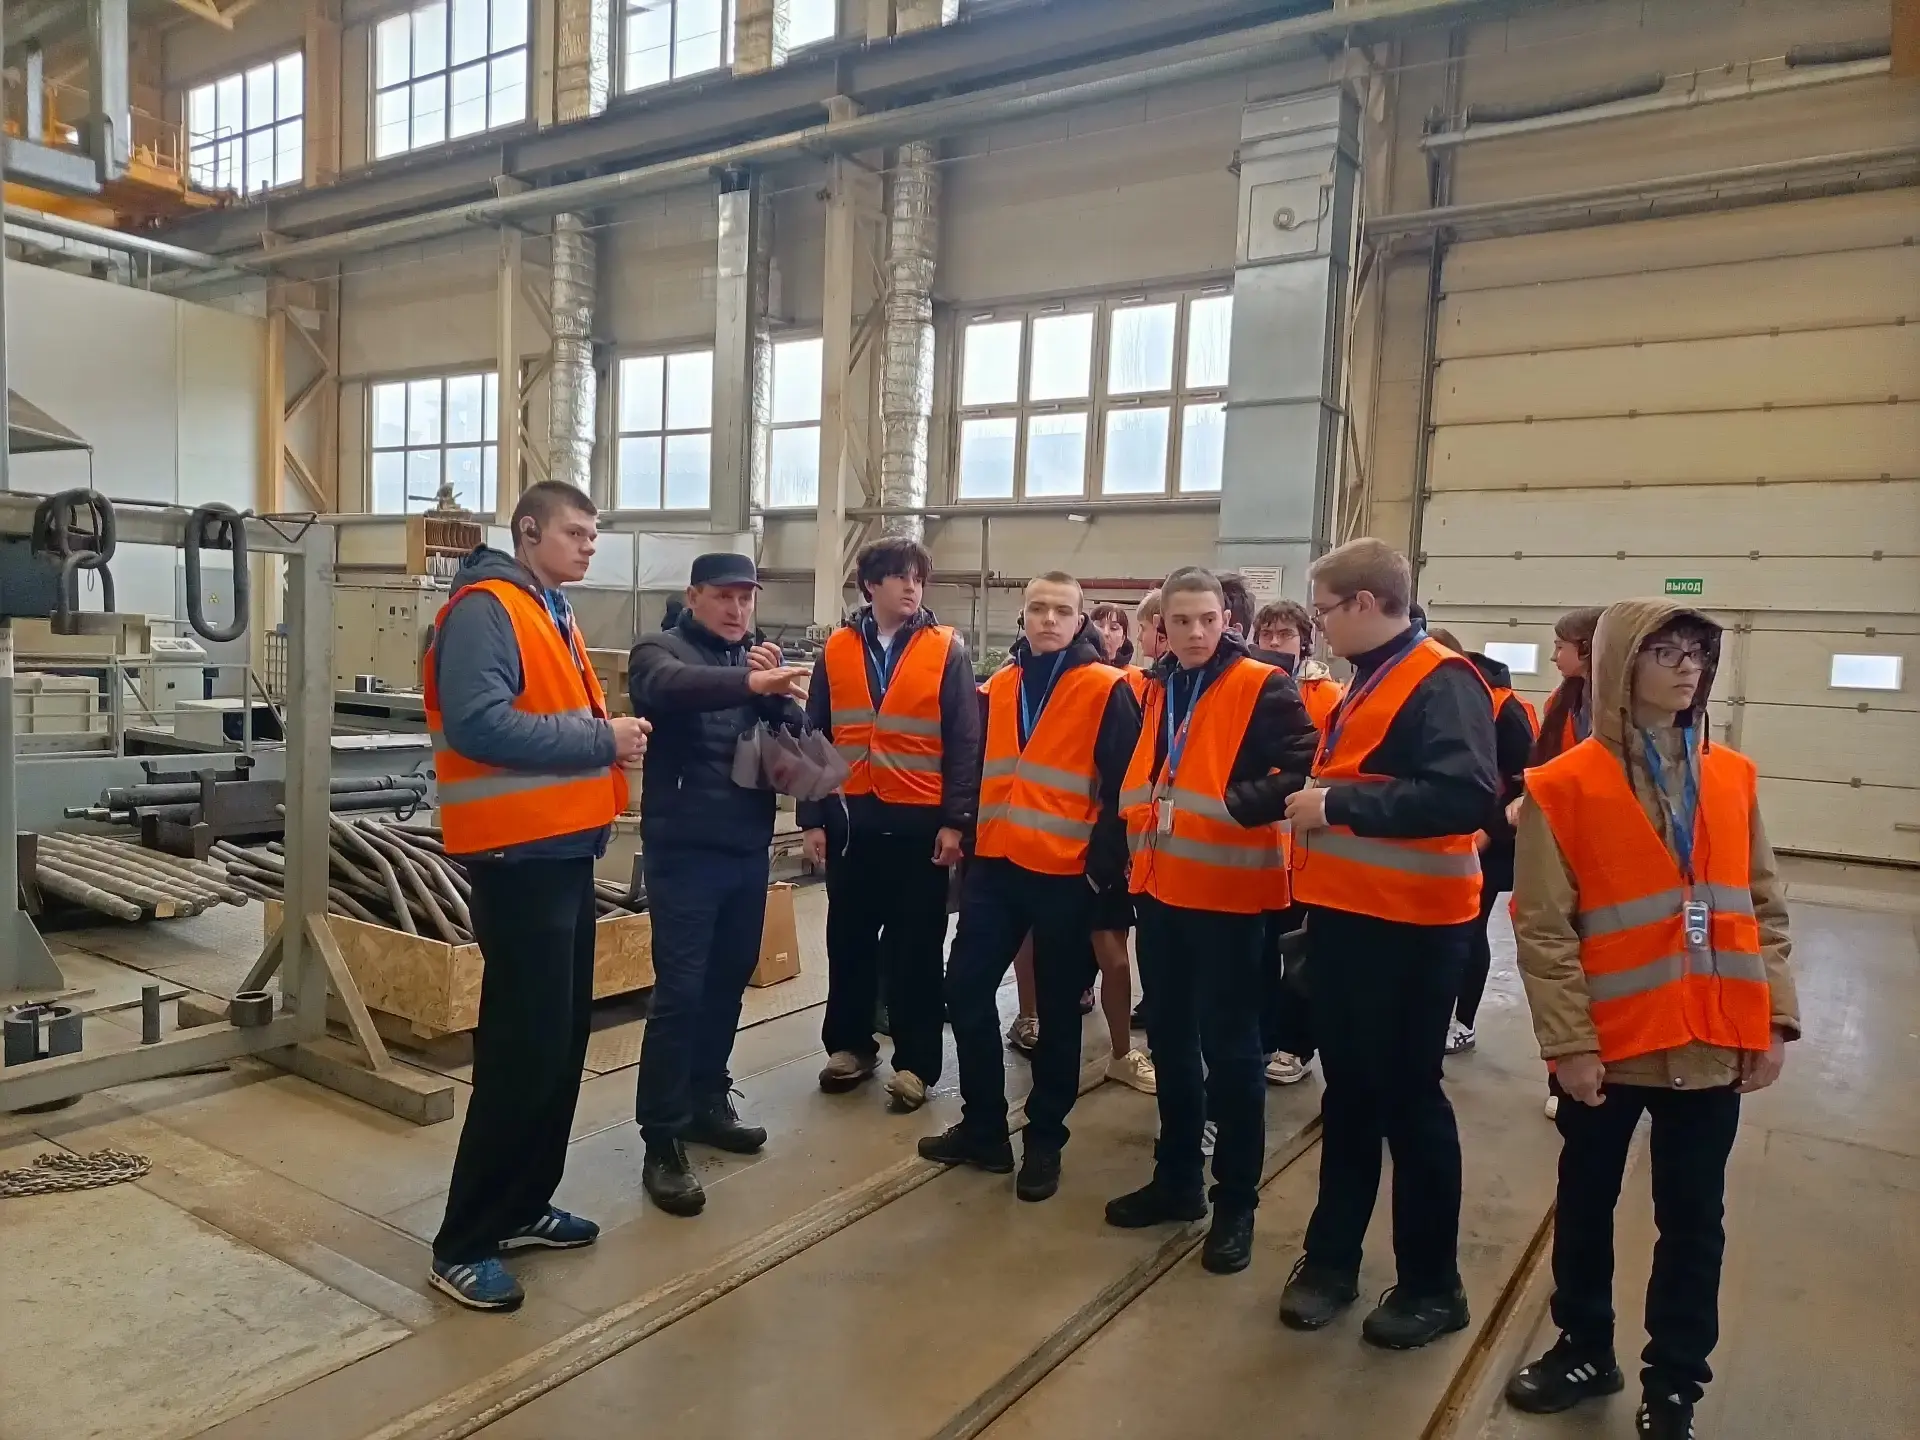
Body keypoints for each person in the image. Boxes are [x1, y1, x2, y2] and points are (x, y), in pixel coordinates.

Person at [1503, 600, 1797, 1440]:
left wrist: (1774, 1018)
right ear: (1620, 664)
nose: (1687, 667)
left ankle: (1675, 1382)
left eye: (1696, 653)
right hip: (1612, 1044)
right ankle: (1584, 1347)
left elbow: (1764, 907)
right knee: (1585, 1206)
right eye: (1665, 652)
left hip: (1712, 1040)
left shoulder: (1733, 778)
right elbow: (1545, 928)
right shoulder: (1562, 786)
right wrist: (1569, 1044)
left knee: (1693, 1220)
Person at [422, 481, 649, 1311]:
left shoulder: (549, 607)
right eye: (575, 532)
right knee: (521, 1051)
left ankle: (521, 1205)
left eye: (593, 533)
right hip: (516, 858)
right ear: (528, 532)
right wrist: (603, 737)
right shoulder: (488, 609)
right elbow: (479, 723)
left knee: (558, 1042)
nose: (590, 545)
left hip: (562, 852)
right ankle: (463, 1242)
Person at [1279, 538, 1497, 1349]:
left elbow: (1464, 795)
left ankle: (1434, 1286)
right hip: (1349, 922)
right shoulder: (1369, 679)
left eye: (1325, 612)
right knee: (1350, 1097)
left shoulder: (1441, 680)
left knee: (1408, 1102)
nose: (1321, 627)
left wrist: (1335, 809)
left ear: (1365, 603)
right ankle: (1331, 1260)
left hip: (1412, 931)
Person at [1105, 566, 1318, 1275]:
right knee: (1170, 1043)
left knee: (1232, 1056)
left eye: (1207, 619)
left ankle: (1235, 1207)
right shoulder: (1159, 684)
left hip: (1230, 900)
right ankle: (1177, 1181)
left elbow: (1306, 765)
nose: (1195, 632)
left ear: (1227, 619)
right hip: (1161, 893)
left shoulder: (1263, 684)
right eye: (1181, 621)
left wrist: (1237, 804)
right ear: (1162, 624)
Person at [918, 572, 1142, 1196]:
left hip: (1067, 875)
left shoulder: (1107, 688)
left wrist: (1101, 873)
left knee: (1060, 1014)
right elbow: (974, 767)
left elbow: (1126, 789)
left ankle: (1045, 1140)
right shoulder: (1001, 686)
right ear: (1023, 616)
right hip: (996, 866)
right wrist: (966, 834)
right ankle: (984, 1129)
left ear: (1080, 621)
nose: (1048, 619)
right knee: (964, 989)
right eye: (1038, 608)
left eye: (1061, 610)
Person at [627, 553, 810, 1217]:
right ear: (694, 596)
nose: (737, 609)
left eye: (746, 598)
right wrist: (752, 682)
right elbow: (673, 688)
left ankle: (706, 1099)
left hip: (746, 850)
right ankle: (661, 1137)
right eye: (724, 596)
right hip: (684, 854)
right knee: (679, 994)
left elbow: (793, 748)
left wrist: (782, 704)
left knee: (727, 983)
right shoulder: (658, 652)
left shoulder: (756, 662)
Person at [800, 537, 980, 1111]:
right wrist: (812, 817)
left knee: (917, 949)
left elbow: (965, 743)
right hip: (850, 823)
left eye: (918, 579)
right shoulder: (836, 650)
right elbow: (814, 735)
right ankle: (850, 1047)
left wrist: (955, 822)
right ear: (870, 585)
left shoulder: (946, 650)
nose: (911, 587)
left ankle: (916, 1064)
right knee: (847, 941)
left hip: (918, 827)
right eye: (901, 576)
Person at [1003, 595, 1154, 1094]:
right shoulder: (1013, 683)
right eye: (1104, 624)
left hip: (1096, 856)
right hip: (1039, 854)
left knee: (1113, 955)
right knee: (1035, 947)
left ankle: (1121, 1051)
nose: (1110, 632)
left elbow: (1125, 782)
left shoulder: (1117, 686)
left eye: (1118, 625)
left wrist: (1106, 860)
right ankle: (1028, 1017)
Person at [1423, 628, 1539, 1057]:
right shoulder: (1440, 699)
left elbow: (1525, 783)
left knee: (1472, 930)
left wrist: (1489, 831)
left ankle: (1464, 1022)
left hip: (1490, 840)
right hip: (1447, 836)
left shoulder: (1503, 708)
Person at [1248, 598, 1345, 1087]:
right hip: (1256, 845)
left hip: (1306, 848)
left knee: (1301, 955)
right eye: (1266, 634)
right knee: (1262, 952)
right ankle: (1262, 1035)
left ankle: (1296, 1045)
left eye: (1285, 634)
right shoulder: (1246, 687)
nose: (1274, 643)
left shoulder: (1328, 697)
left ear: (1306, 641)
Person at [1517, 605, 1604, 1120]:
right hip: (1559, 849)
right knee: (1555, 962)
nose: (1553, 656)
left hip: (1601, 853)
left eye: (1561, 646)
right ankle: (1561, 1072)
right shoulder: (1560, 704)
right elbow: (1547, 770)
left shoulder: (1619, 711)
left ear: (1589, 650)